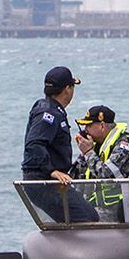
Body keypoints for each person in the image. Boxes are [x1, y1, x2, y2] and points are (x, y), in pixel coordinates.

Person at [23, 65, 78, 214]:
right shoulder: (48, 113)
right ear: (67, 89)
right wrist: (52, 171)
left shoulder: (51, 109)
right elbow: (34, 144)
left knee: (83, 213)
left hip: (49, 182)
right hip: (43, 182)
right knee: (88, 217)